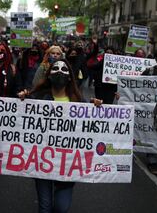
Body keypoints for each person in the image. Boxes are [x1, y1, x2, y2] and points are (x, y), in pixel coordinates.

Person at [18, 59, 101, 213]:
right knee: (45, 208)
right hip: (42, 162)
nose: (60, 72)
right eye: (55, 68)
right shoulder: (38, 98)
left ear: (70, 76)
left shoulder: (79, 101)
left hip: (68, 165)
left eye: (64, 69)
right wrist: (23, 99)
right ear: (49, 75)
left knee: (61, 208)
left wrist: (96, 107)